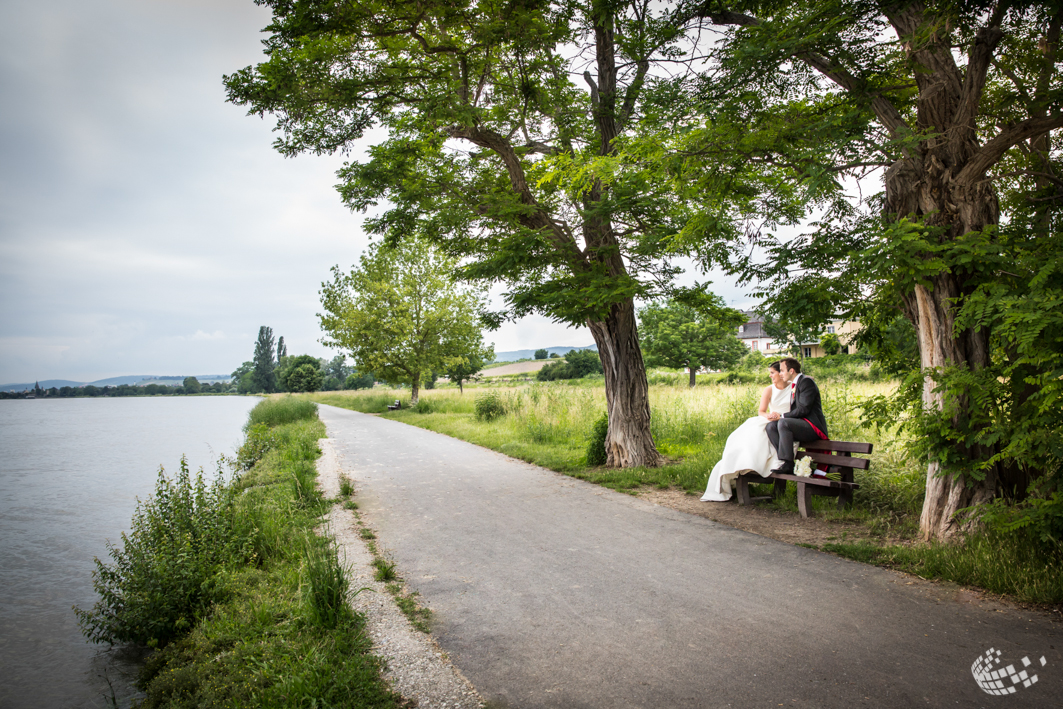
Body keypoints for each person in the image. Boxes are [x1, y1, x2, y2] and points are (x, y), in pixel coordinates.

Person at [701, 361, 791, 502]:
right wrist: (769, 416)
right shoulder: (769, 389)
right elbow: (761, 411)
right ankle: (737, 466)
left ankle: (767, 465)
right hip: (771, 420)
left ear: (781, 373)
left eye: (772, 372)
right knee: (750, 436)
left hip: (786, 422)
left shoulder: (793, 388)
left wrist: (781, 417)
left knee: (764, 436)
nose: (770, 375)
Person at [766, 358, 828, 475]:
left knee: (783, 422)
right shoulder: (796, 383)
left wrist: (782, 416)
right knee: (771, 427)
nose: (780, 373)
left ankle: (788, 463)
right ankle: (784, 460)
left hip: (812, 426)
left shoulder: (806, 382)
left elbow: (804, 409)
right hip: (801, 424)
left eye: (782, 370)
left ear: (791, 371)